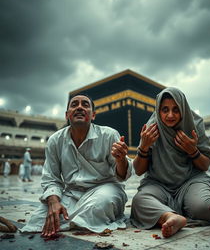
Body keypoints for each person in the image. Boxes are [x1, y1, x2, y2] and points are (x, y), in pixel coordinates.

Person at [131, 87, 210, 238]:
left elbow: (204, 166)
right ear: (158, 110)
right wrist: (143, 147)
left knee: (204, 207)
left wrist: (192, 150)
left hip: (190, 181)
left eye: (176, 109)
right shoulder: (151, 129)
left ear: (183, 109)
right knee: (139, 202)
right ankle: (170, 217)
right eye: (165, 110)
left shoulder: (194, 125)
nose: (170, 115)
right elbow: (138, 170)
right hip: (158, 184)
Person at [21, 94, 132, 236]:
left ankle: (72, 221)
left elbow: (122, 175)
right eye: (74, 105)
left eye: (85, 105)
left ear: (93, 116)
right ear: (67, 115)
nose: (79, 107)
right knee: (39, 218)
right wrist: (54, 201)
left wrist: (121, 160)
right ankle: (77, 221)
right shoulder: (55, 140)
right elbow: (51, 178)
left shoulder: (108, 135)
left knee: (99, 204)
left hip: (105, 189)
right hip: (72, 194)